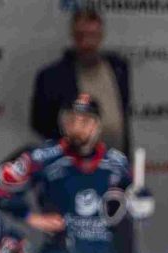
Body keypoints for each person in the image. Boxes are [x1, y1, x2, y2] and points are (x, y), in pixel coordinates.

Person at [0, 93, 151, 253]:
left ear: (97, 125)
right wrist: (31, 217)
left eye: (85, 122)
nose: (77, 127)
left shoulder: (117, 163)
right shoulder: (44, 157)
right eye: (71, 120)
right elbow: (0, 189)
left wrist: (141, 204)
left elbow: (134, 209)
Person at [30, 5, 131, 153]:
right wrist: (71, 140)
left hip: (117, 157)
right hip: (74, 161)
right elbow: (39, 123)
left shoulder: (118, 68)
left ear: (101, 36)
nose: (87, 43)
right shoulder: (52, 77)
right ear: (73, 36)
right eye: (81, 36)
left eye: (92, 35)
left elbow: (123, 114)